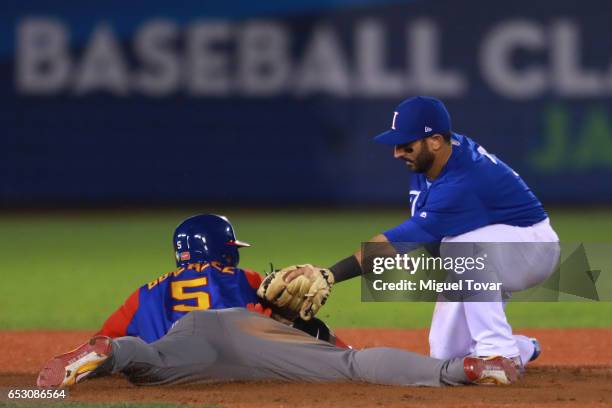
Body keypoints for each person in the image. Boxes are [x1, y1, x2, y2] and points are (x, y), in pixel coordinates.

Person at [279, 96, 559, 366]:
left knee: (459, 247)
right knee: (446, 356)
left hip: (530, 247)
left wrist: (331, 274)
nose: (397, 152)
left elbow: (396, 242)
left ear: (435, 141)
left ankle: (499, 353)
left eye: (405, 145)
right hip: (489, 247)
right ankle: (521, 348)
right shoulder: (433, 158)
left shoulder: (462, 181)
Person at [36, 308, 519, 389]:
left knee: (147, 361)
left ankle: (111, 354)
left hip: (185, 338)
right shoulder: (249, 280)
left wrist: (119, 352)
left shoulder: (150, 291)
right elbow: (316, 331)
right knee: (350, 365)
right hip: (252, 328)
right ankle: (464, 368)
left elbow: (120, 323)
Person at [96, 213, 347, 347]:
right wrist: (287, 318)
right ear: (227, 250)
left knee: (123, 350)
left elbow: (101, 342)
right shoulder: (245, 278)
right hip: (230, 365)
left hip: (165, 368)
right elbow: (270, 321)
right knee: (304, 325)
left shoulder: (143, 294)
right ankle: (350, 358)